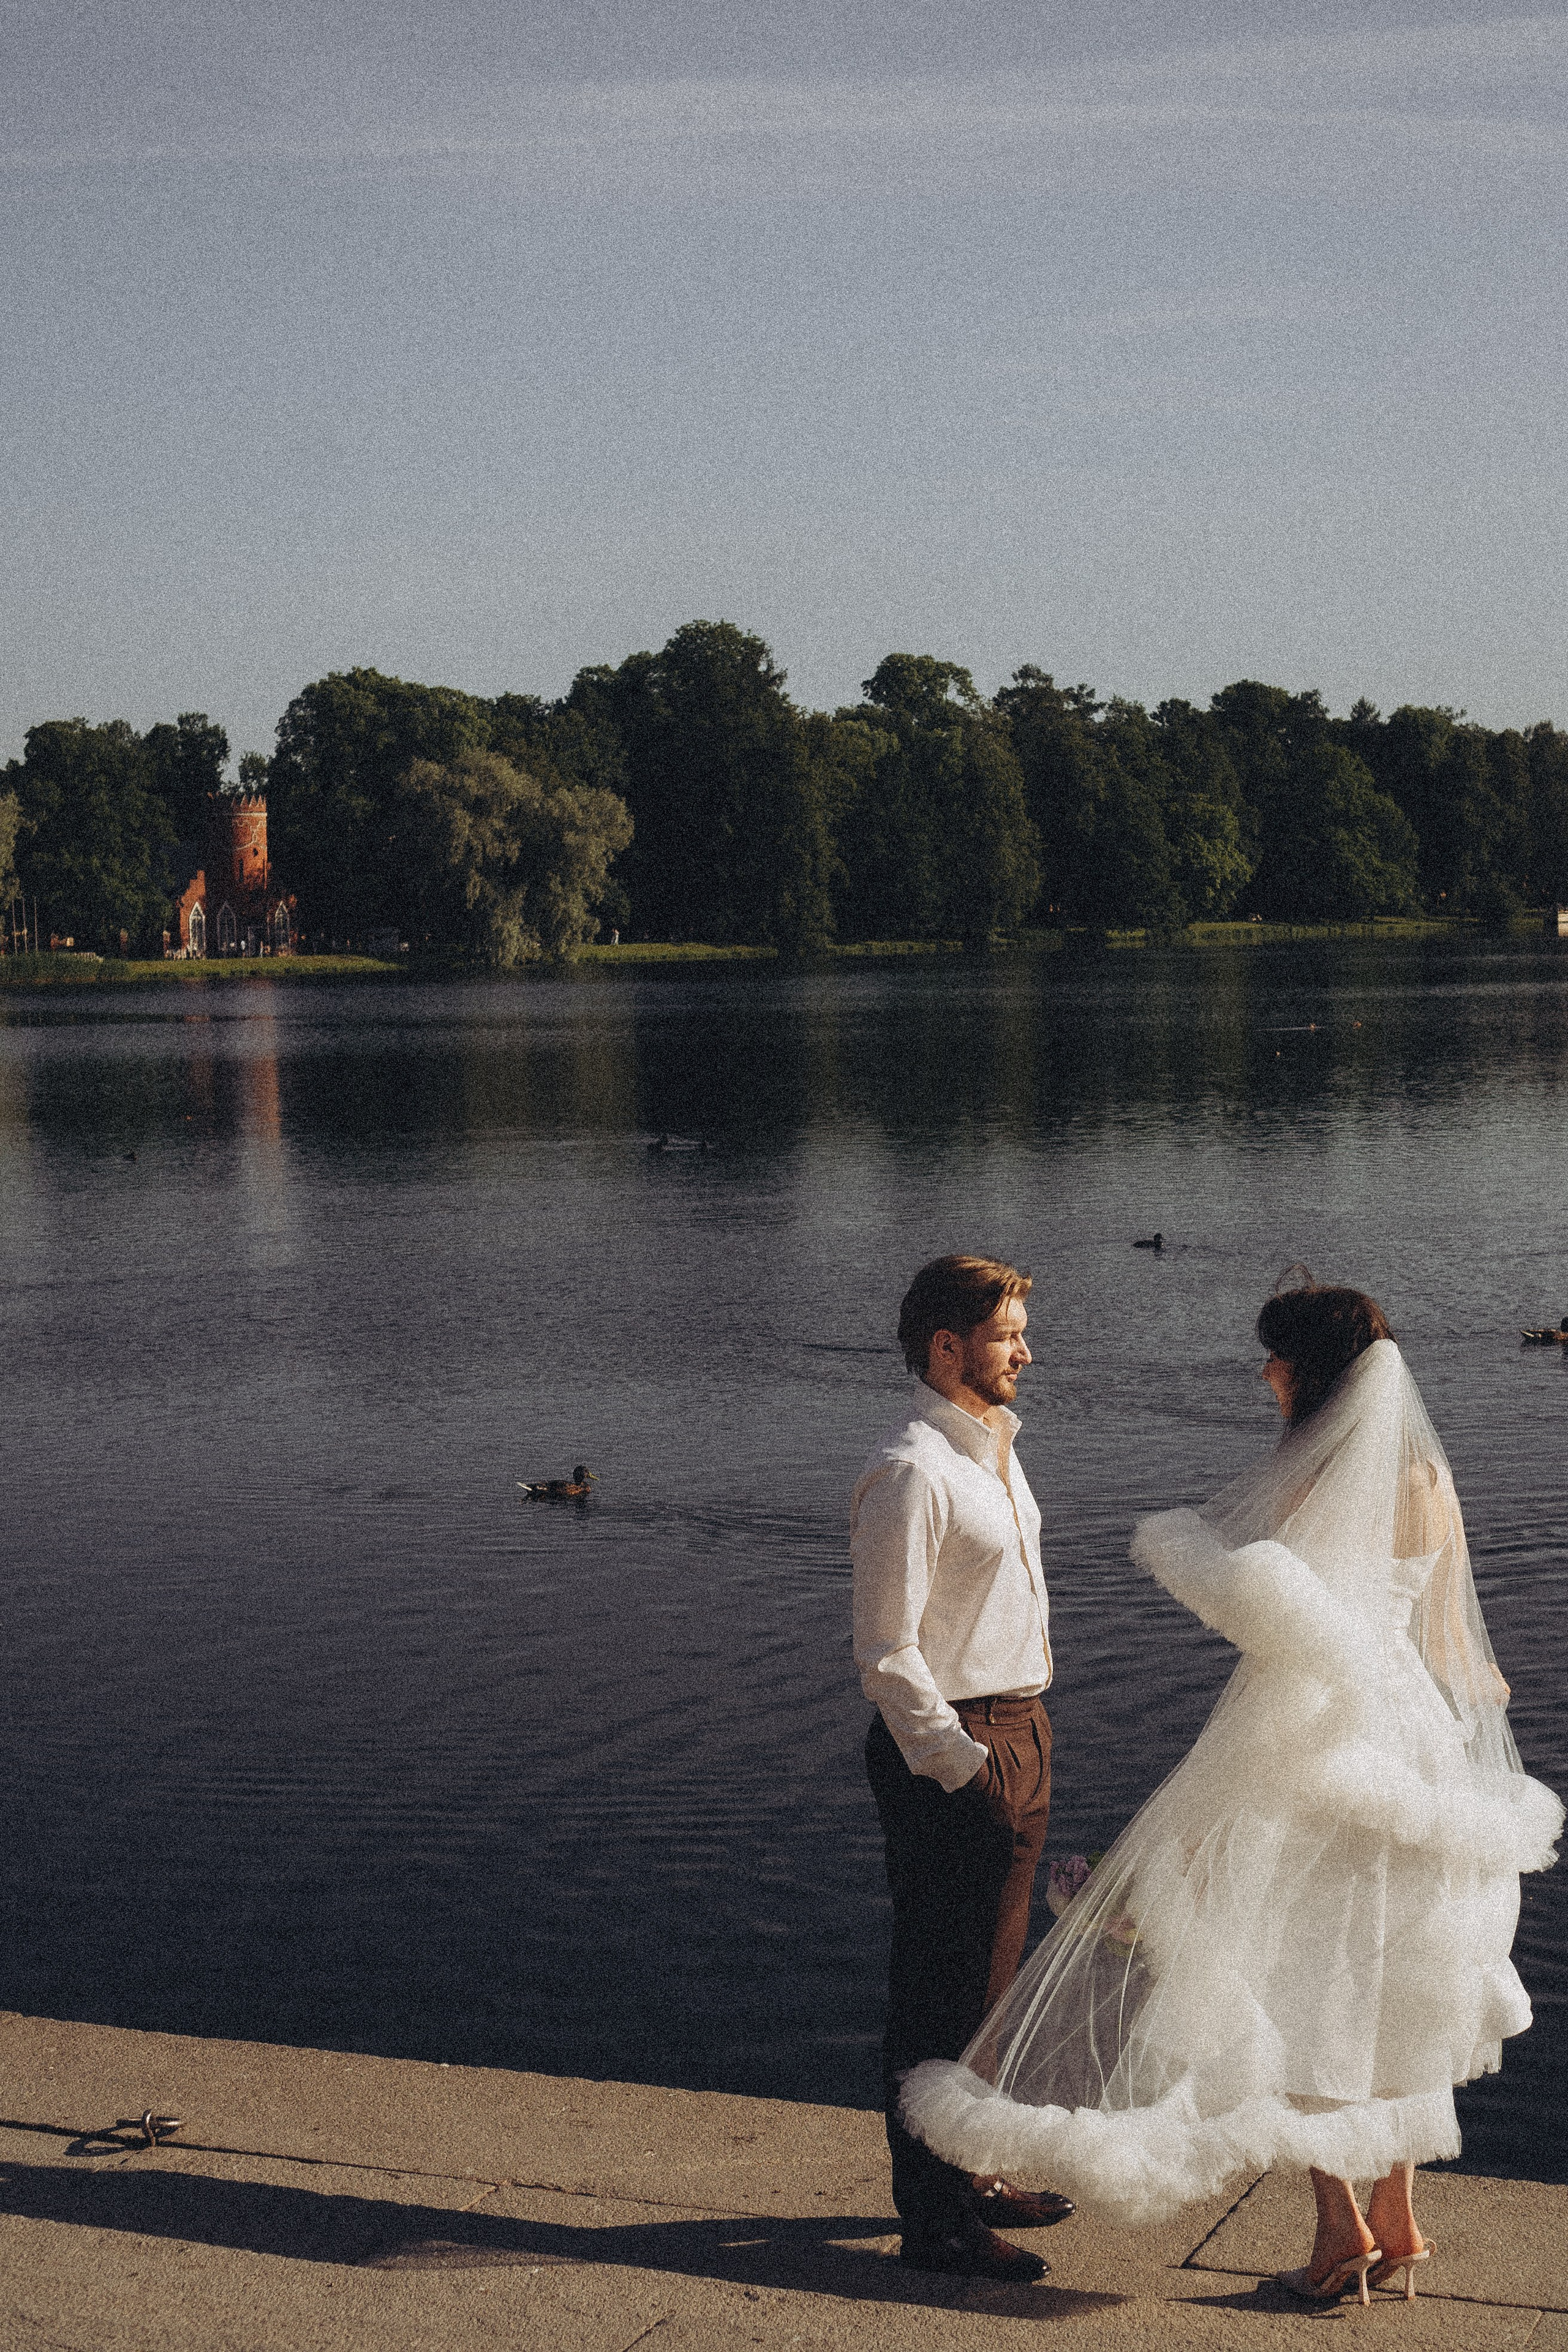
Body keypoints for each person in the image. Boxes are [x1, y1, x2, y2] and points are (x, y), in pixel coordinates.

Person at [900, 1277, 1563, 2304]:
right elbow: (1456, 1651)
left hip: (1312, 1743)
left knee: (1291, 1982)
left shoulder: (1306, 1481)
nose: (1265, 1373)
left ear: (1312, 1373)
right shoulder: (1429, 1476)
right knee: (1394, 1983)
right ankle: (1398, 2217)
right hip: (1414, 1748)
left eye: (1276, 1358)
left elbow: (1284, 1636)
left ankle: (1341, 2232)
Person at [851, 1254, 1074, 2282]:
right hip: (957, 1748)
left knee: (993, 1989)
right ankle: (934, 2221)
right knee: (938, 1995)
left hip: (1020, 1727)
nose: (1026, 1353)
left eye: (1022, 1334)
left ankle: (973, 2172)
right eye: (1007, 1337)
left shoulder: (993, 1451)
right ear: (948, 1347)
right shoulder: (913, 1472)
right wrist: (964, 1769)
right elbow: (886, 1653)